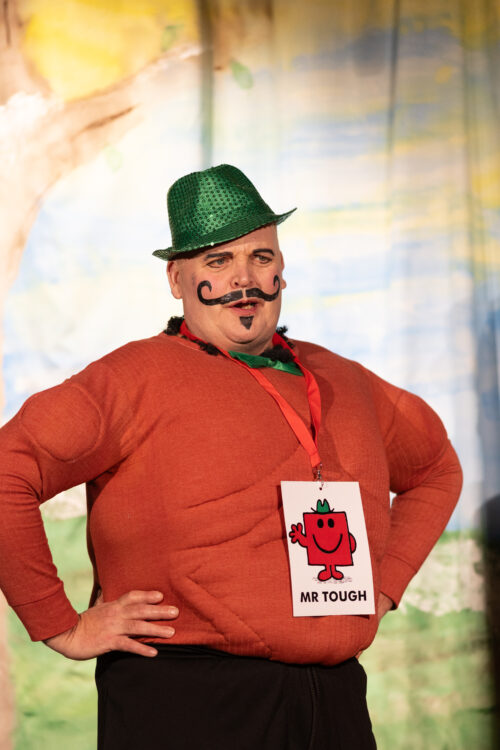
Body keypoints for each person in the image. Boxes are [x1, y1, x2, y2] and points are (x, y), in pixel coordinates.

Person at [0, 164, 462, 749]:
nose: (243, 278)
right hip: (187, 699)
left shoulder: (344, 380)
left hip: (335, 700)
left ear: (282, 268)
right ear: (177, 279)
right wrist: (58, 625)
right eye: (217, 262)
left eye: (260, 257)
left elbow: (436, 469)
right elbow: (8, 468)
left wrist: (386, 583)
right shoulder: (131, 379)